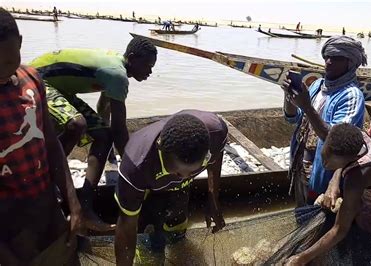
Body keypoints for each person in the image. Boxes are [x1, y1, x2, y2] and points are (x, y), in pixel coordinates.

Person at [0, 8, 110, 265]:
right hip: (8, 220)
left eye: (7, 62)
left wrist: (73, 203)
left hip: (46, 204)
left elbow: (51, 144)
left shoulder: (33, 80)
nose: (3, 71)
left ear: (20, 44)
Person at [29, 37, 157, 220]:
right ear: (132, 58)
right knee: (76, 124)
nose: (150, 71)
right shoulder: (117, 74)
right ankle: (48, 177)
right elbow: (120, 130)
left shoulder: (116, 71)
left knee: (103, 135)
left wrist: (108, 148)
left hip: (60, 87)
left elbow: (103, 109)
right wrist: (132, 171)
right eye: (147, 65)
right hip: (35, 79)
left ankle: (86, 204)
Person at [114, 110, 228, 265]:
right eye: (178, 172)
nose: (186, 176)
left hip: (177, 189)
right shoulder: (136, 167)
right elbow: (126, 224)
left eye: (193, 171)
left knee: (177, 233)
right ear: (161, 149)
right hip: (150, 190)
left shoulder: (216, 132)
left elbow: (216, 158)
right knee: (151, 246)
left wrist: (213, 200)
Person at [285, 123, 371, 265]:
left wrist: (301, 258)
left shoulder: (357, 176)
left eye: (329, 161)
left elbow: (340, 229)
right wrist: (333, 183)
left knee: (359, 256)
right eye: (324, 155)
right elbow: (342, 162)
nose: (325, 163)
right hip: (361, 198)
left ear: (348, 158)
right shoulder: (356, 136)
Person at [282, 36, 367, 207]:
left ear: (350, 63)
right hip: (300, 164)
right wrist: (288, 96)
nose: (328, 62)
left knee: (320, 215)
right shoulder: (317, 85)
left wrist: (306, 106)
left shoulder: (351, 95)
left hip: (324, 171)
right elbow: (293, 119)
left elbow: (337, 141)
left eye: (336, 58)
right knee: (301, 211)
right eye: (327, 57)